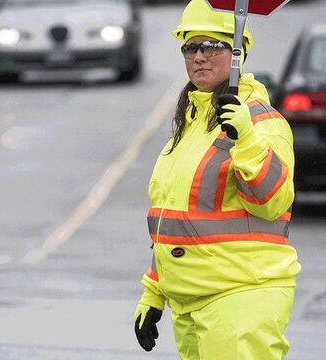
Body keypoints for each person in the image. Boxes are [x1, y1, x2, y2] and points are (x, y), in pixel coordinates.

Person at [133, 0, 301, 359]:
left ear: (238, 51)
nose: (199, 57)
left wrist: (246, 140)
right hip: (189, 302)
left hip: (240, 298)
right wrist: (154, 292)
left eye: (212, 45)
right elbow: (176, 221)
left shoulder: (260, 121)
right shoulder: (192, 124)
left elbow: (273, 201)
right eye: (191, 47)